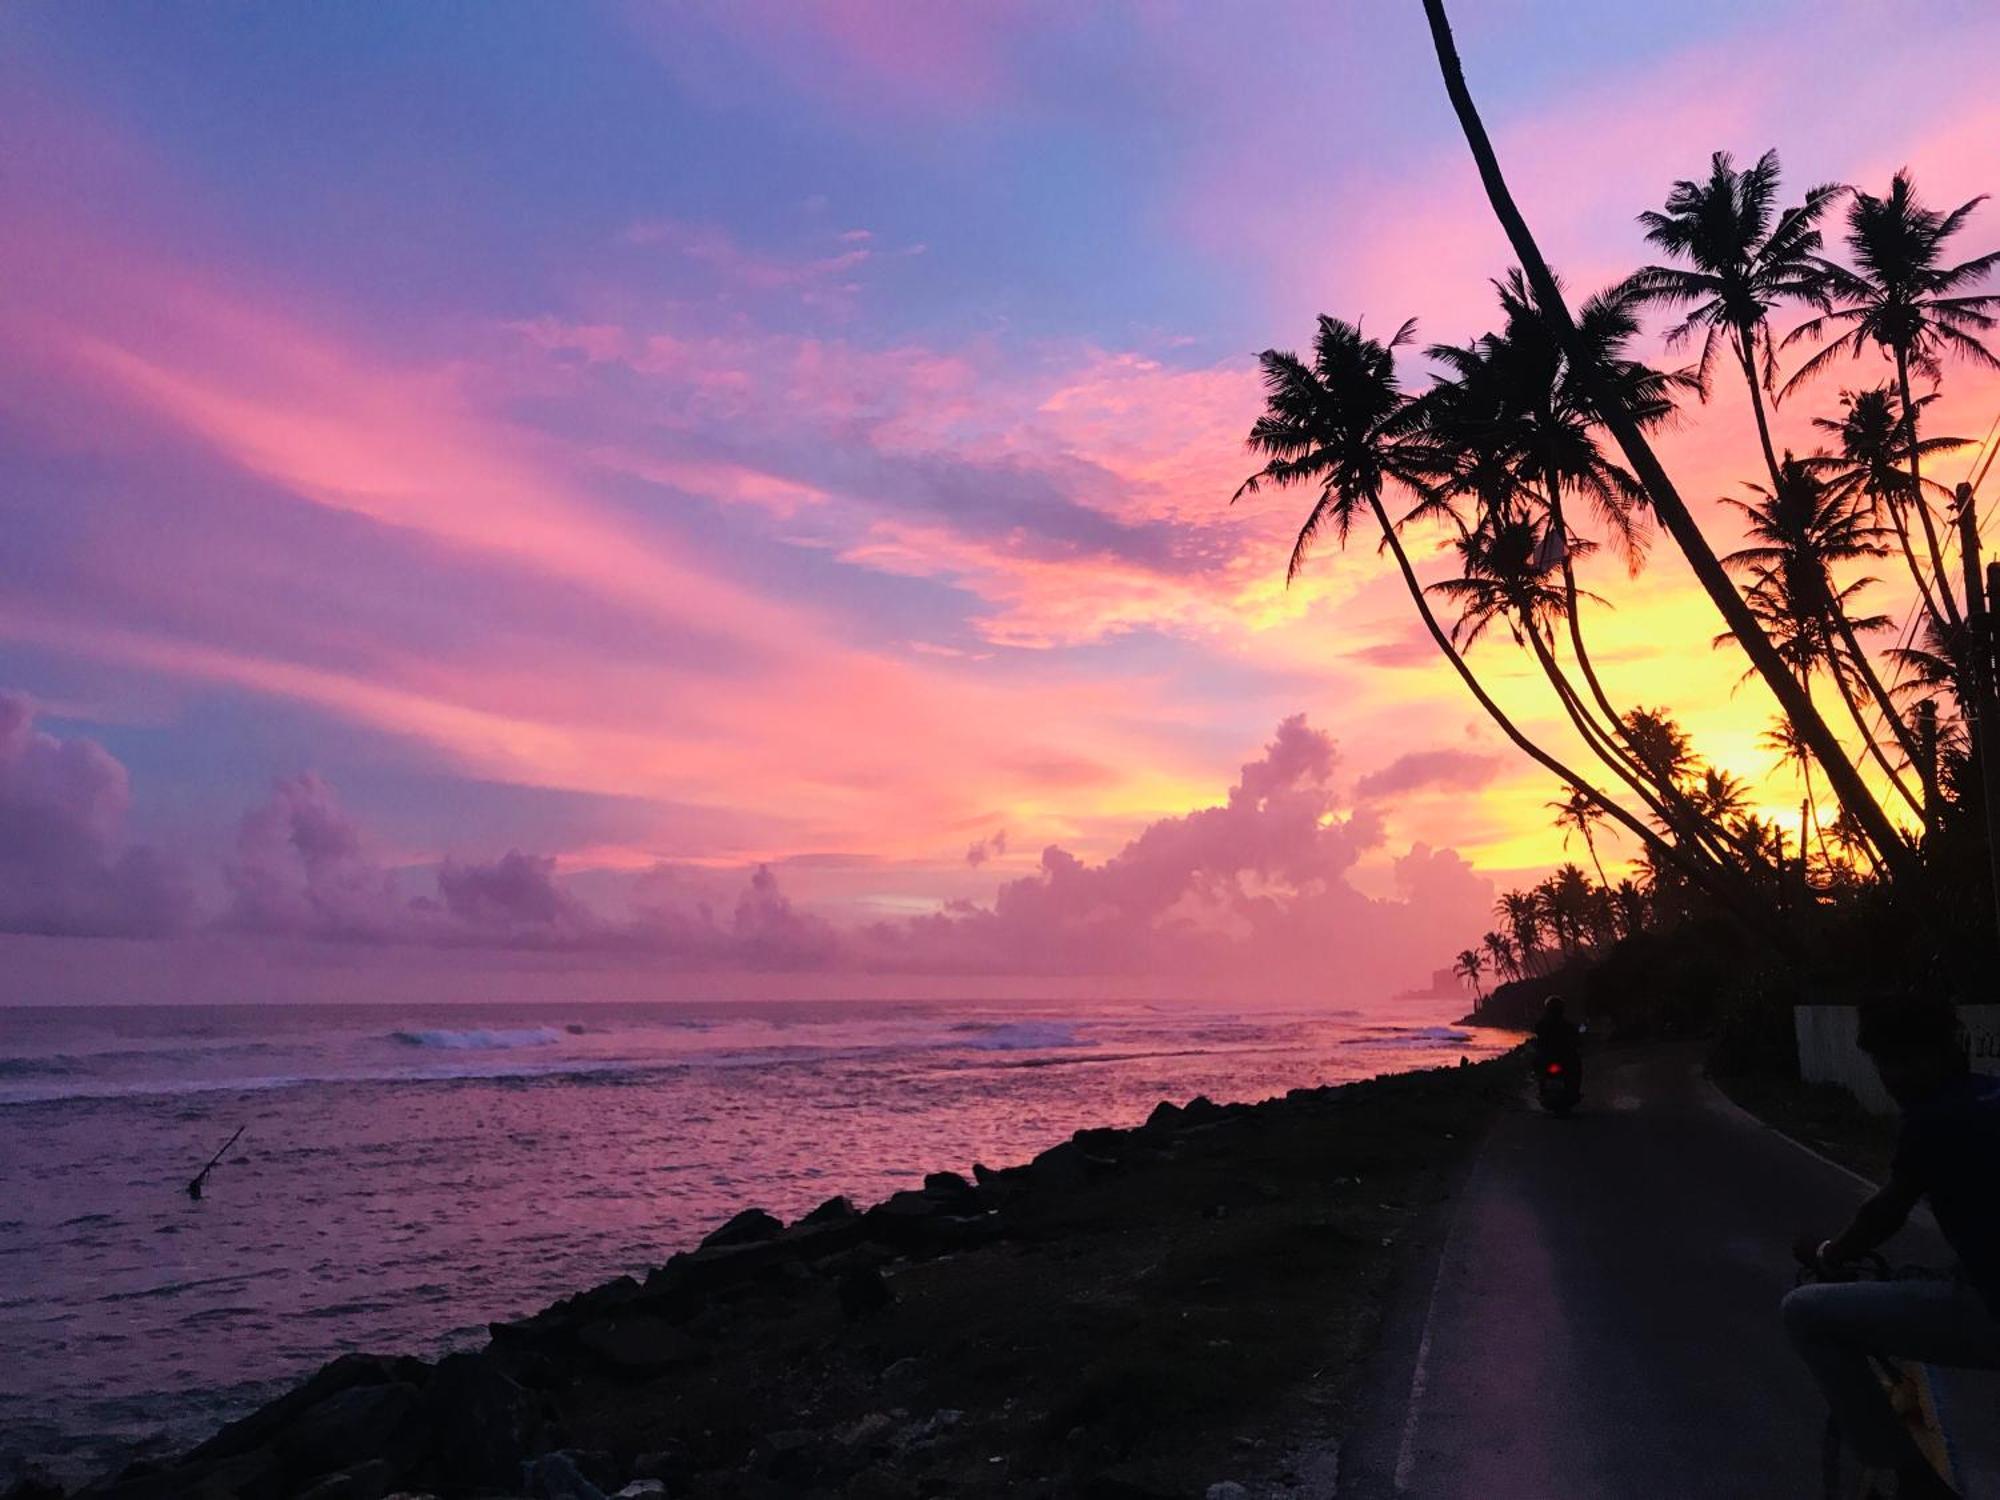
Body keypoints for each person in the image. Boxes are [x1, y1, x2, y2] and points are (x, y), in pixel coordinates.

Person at [1783, 996, 2000, 1500]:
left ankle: (1912, 1478)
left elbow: (1884, 1213)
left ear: (1933, 1056)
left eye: (1895, 1061)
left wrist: (1830, 1254)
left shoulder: (1932, 1119)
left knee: (1804, 1314)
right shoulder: (1990, 1093)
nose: (1891, 1076)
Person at [1533, 994, 1582, 1099]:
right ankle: (1573, 1090)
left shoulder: (1543, 1024)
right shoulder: (1567, 1025)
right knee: (1576, 1066)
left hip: (1552, 1057)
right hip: (1560, 1057)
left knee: (1538, 1065)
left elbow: (1537, 1035)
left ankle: (1543, 1088)